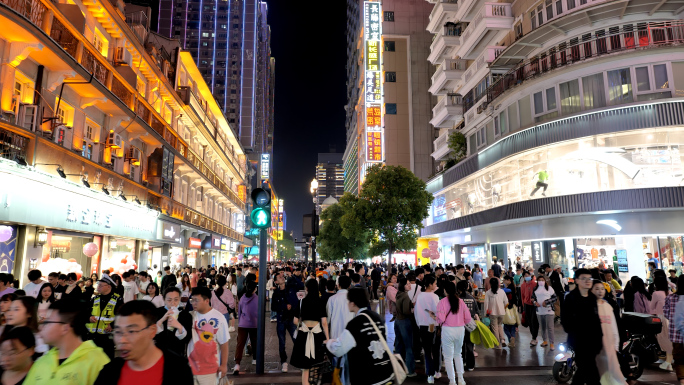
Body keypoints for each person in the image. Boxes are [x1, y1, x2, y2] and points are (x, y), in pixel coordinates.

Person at [93, 300, 192, 385]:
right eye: (118, 332)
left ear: (152, 331)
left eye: (131, 331)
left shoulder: (178, 370)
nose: (122, 340)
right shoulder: (109, 372)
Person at [24, 300, 109, 385]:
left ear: (65, 328)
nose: (41, 327)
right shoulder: (42, 361)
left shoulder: (97, 361)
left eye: (47, 322)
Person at [326, 288, 395, 385]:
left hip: (366, 377)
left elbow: (339, 349)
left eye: (348, 301)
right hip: (385, 373)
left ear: (353, 303)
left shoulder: (355, 324)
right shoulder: (377, 317)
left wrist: (329, 343)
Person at [561, 268, 602, 385]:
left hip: (593, 341)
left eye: (589, 278)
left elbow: (597, 320)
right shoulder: (571, 298)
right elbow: (565, 320)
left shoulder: (592, 298)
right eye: (584, 279)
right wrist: (574, 331)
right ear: (577, 280)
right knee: (590, 370)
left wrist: (600, 338)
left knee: (585, 370)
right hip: (578, 341)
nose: (588, 281)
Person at [290, 279, 330, 385]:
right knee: (316, 365)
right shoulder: (321, 301)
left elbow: (295, 320)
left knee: (305, 368)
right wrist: (327, 338)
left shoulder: (302, 301)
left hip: (303, 335)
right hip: (317, 335)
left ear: (306, 288)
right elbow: (324, 322)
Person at [187, 287, 230, 384]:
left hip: (210, 371)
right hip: (190, 368)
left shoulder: (218, 317)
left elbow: (224, 343)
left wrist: (223, 365)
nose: (193, 303)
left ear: (207, 301)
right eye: (192, 300)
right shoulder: (190, 316)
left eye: (196, 300)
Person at [590, 280, 626, 385]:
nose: (600, 291)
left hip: (609, 347)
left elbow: (614, 327)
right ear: (591, 290)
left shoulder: (608, 306)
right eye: (596, 289)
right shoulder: (589, 307)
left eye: (602, 289)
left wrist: (615, 345)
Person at [435, 281, 471, 385]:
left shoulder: (442, 302)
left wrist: (435, 317)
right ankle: (461, 379)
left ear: (445, 290)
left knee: (448, 357)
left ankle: (452, 381)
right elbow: (468, 319)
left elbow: (440, 319)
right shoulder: (461, 302)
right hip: (460, 329)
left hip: (448, 330)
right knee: (458, 354)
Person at [85, 274, 122, 359]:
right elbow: (85, 312)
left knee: (106, 361)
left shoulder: (117, 299)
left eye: (101, 285)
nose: (98, 287)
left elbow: (121, 316)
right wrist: (89, 317)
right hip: (92, 336)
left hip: (107, 337)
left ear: (108, 287)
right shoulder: (95, 298)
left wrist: (112, 325)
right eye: (98, 285)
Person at [415, 276, 441, 383]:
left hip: (423, 326)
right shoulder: (434, 296)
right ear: (430, 284)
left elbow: (416, 312)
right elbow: (437, 311)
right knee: (435, 349)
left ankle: (429, 374)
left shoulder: (419, 296)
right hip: (433, 325)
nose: (436, 285)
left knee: (427, 350)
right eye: (434, 283)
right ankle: (436, 371)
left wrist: (419, 324)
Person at [154, 287, 191, 358]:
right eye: (169, 300)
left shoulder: (185, 315)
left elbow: (187, 338)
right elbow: (151, 334)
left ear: (180, 299)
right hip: (158, 353)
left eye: (176, 300)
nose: (173, 303)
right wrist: (162, 320)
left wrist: (179, 326)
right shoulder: (157, 312)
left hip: (178, 353)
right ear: (164, 299)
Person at [272, 273, 296, 373]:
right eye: (279, 277)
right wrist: (284, 307)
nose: (282, 277)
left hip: (291, 319)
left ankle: (299, 360)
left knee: (297, 340)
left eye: (282, 276)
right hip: (281, 320)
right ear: (276, 282)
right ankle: (284, 362)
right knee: (282, 342)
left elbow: (299, 285)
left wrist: (292, 275)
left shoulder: (290, 288)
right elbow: (273, 307)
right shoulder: (276, 293)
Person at [232, 280, 257, 375]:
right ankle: (255, 359)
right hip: (254, 324)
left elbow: (239, 311)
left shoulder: (242, 298)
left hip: (243, 324)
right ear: (255, 289)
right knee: (254, 342)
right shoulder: (257, 299)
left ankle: (237, 364)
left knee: (240, 344)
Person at [394, 277, 417, 377]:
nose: (409, 285)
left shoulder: (398, 294)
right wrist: (413, 309)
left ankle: (398, 368)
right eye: (407, 284)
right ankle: (410, 370)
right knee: (408, 347)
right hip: (405, 322)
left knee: (399, 346)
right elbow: (406, 312)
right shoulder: (406, 297)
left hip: (397, 321)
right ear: (403, 286)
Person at [651, 275, 674, 371]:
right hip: (671, 318)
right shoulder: (670, 293)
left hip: (661, 319)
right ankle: (669, 364)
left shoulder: (656, 293)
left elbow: (651, 307)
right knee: (670, 341)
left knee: (664, 340)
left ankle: (668, 363)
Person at [457, 280, 478, 371]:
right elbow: (476, 312)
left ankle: (462, 362)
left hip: (459, 325)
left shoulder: (457, 299)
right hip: (470, 325)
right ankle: (471, 365)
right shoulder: (472, 298)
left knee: (460, 345)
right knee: (470, 345)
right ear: (468, 287)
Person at [532, 275, 557, 350]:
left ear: (545, 281)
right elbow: (532, 298)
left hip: (549, 311)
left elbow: (555, 298)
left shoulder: (549, 288)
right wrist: (535, 302)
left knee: (550, 327)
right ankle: (545, 340)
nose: (541, 281)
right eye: (539, 280)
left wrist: (546, 302)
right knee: (542, 327)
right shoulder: (535, 289)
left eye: (542, 280)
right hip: (539, 312)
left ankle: (552, 343)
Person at [484, 277, 508, 348]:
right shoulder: (502, 291)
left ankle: (497, 344)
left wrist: (486, 313)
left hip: (492, 313)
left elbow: (486, 304)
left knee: (495, 328)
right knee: (500, 326)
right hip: (502, 313)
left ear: (490, 284)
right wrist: (503, 309)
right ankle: (503, 340)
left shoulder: (488, 292)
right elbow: (506, 302)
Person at [520, 271, 540, 346]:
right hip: (526, 305)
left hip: (534, 305)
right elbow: (522, 296)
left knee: (534, 321)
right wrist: (523, 306)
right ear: (523, 277)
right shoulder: (522, 285)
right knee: (529, 321)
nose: (527, 276)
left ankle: (534, 338)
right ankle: (534, 336)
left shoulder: (535, 284)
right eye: (525, 275)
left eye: (528, 275)